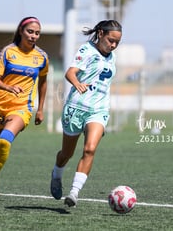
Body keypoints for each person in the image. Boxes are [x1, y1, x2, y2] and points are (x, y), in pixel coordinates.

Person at [50, 19, 122, 207]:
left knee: (90, 149)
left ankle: (74, 193)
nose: (113, 45)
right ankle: (57, 174)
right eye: (111, 40)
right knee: (67, 153)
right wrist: (77, 83)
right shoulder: (87, 50)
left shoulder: (112, 56)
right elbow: (70, 72)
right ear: (100, 34)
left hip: (98, 110)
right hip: (76, 108)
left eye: (117, 42)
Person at [0, 16, 49, 201]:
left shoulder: (41, 57)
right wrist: (8, 87)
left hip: (22, 107)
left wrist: (40, 109)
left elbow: (43, 82)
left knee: (4, 142)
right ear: (21, 31)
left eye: (37, 33)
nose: (33, 36)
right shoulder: (7, 52)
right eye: (30, 32)